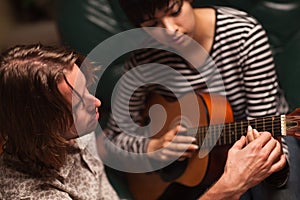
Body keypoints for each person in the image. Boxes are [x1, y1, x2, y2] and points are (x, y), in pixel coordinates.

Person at [102, 0, 290, 199]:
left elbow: (264, 137)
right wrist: (153, 147)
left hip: (257, 148)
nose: (170, 30)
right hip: (195, 178)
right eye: (152, 25)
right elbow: (111, 141)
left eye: (175, 12)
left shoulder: (244, 34)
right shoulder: (143, 60)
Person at [0, 44, 119, 200]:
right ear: (42, 125)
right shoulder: (35, 194)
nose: (96, 102)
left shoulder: (77, 132)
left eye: (86, 88)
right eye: (78, 104)